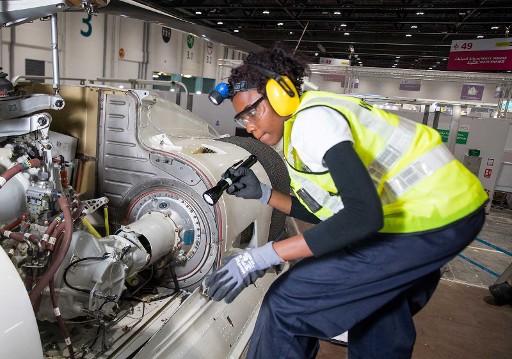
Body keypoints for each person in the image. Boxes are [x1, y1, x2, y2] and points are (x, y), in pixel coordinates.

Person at [204, 46, 488, 358]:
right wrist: (265, 194)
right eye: (242, 118)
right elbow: (331, 214)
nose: (249, 126)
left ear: (282, 94)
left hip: (431, 218)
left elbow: (362, 217)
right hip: (443, 212)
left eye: (253, 112)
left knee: (288, 305)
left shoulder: (314, 123)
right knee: (375, 312)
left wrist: (260, 257)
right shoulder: (302, 129)